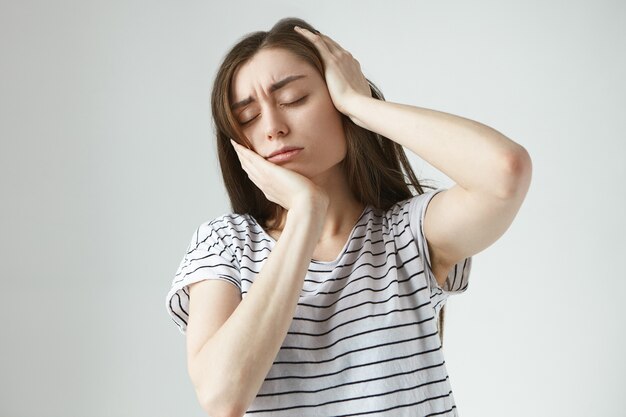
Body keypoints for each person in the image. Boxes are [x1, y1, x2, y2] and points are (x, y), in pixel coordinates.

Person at [165, 17, 532, 417]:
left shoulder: (407, 234)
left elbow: (505, 171)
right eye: (249, 116)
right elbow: (222, 397)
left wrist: (361, 104)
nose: (273, 127)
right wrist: (306, 213)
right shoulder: (227, 243)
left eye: (293, 98)